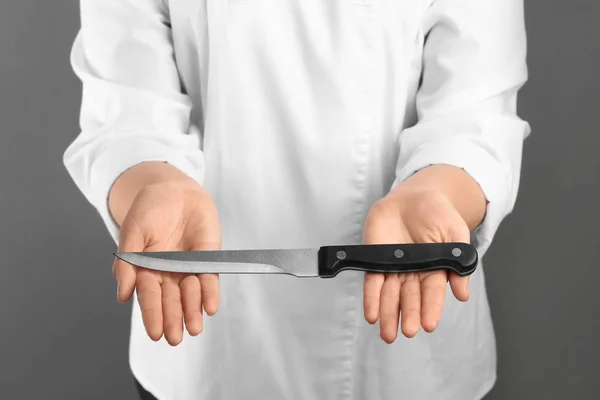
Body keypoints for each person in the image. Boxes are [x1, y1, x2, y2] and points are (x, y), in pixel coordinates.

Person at [63, 0, 530, 399]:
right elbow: (126, 103)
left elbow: (475, 111)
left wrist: (438, 190)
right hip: (204, 332)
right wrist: (151, 183)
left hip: (404, 335)